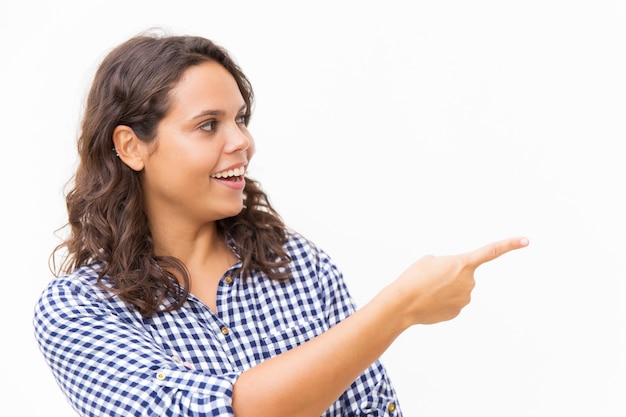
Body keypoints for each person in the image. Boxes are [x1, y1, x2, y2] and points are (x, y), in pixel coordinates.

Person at [33, 31, 529, 417]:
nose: (242, 142)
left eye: (240, 119)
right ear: (131, 147)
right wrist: (396, 310)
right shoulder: (77, 311)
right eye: (209, 125)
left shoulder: (299, 267)